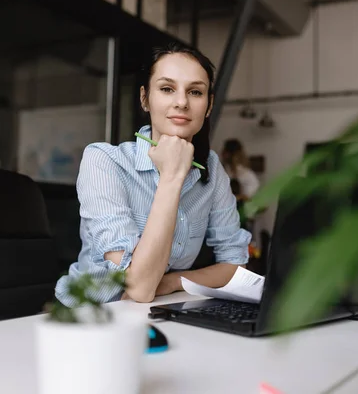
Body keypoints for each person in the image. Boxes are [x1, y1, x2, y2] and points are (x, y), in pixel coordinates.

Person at [54, 42, 251, 306]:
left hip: (156, 312)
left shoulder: (211, 168)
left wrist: (172, 282)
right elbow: (139, 288)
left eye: (195, 92)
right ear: (145, 98)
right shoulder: (104, 161)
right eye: (167, 89)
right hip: (90, 317)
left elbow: (235, 266)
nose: (181, 102)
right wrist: (172, 177)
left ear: (209, 104)